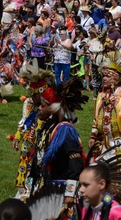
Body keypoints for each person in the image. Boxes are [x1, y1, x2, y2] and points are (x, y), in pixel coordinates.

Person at [29, 78, 88, 219]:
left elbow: (76, 162)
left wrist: (69, 193)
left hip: (61, 190)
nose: (40, 109)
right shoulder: (47, 127)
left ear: (53, 109)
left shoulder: (64, 130)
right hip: (49, 188)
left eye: (43, 106)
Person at [13, 59, 55, 199]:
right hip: (27, 144)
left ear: (42, 93)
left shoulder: (50, 109)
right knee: (24, 173)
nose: (32, 96)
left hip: (41, 147)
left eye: (35, 94)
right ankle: (23, 193)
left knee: (38, 174)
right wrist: (18, 137)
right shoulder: (29, 104)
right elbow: (25, 121)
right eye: (31, 93)